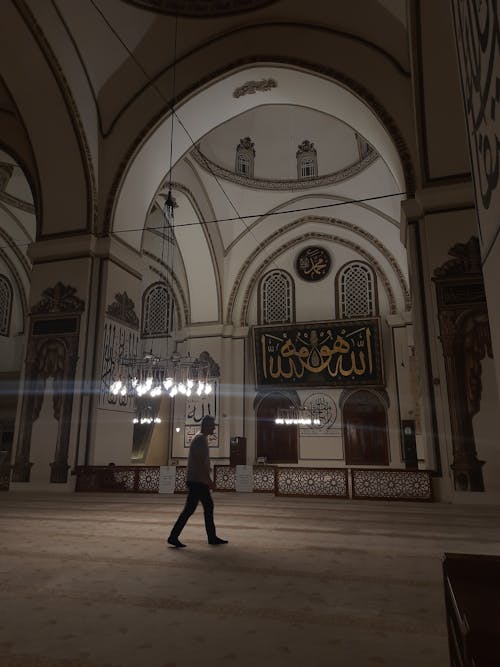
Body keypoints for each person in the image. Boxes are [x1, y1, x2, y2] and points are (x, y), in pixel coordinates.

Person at [167, 415, 228, 548]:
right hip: (197, 480)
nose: (213, 428)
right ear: (205, 425)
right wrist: (209, 479)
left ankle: (174, 536)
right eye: (212, 425)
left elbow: (201, 460)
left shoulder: (201, 438)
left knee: (192, 509)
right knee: (206, 507)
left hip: (196, 480)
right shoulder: (200, 438)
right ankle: (211, 537)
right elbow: (200, 461)